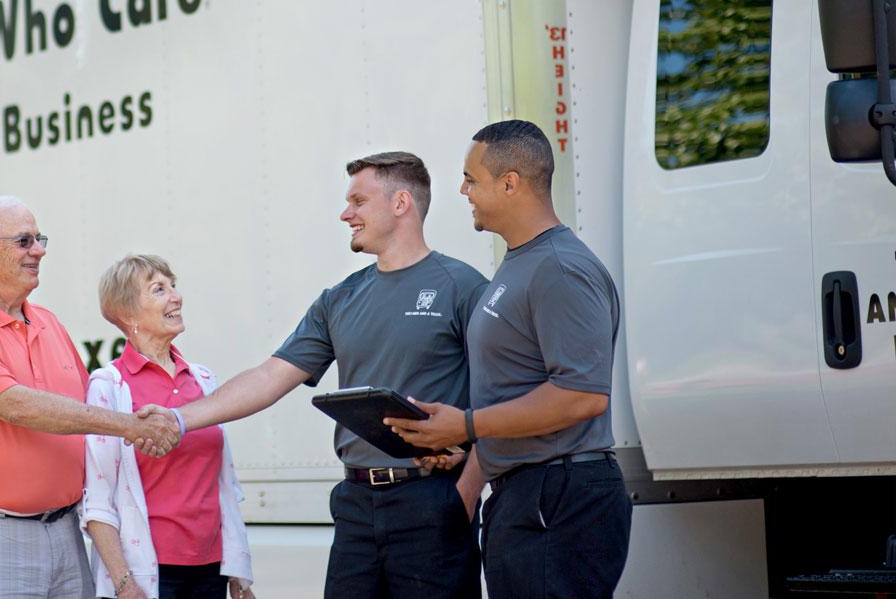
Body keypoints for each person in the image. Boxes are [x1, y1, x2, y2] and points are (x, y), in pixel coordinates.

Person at [141, 152, 489, 598]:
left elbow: (498, 399)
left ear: (401, 203)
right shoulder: (340, 299)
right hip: (355, 505)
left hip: (433, 502)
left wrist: (465, 494)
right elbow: (270, 377)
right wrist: (178, 418)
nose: (346, 214)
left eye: (358, 201)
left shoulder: (462, 287)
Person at [386, 120, 631, 598]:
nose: (463, 190)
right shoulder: (521, 262)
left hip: (559, 495)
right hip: (525, 495)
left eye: (471, 179)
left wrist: (468, 425)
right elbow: (511, 391)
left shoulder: (560, 267)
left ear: (510, 182)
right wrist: (467, 477)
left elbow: (582, 396)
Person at [0, 196, 181, 599]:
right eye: (24, 241)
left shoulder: (49, 323)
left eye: (39, 239)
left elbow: (91, 405)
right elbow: (17, 405)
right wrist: (132, 425)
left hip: (65, 533)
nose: (39, 250)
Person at [81, 254, 255, 599]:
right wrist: (124, 583)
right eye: (158, 289)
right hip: (150, 574)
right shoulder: (109, 385)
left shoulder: (203, 380)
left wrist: (239, 573)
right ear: (129, 314)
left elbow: (226, 489)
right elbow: (98, 500)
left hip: (212, 569)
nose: (176, 296)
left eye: (173, 286)